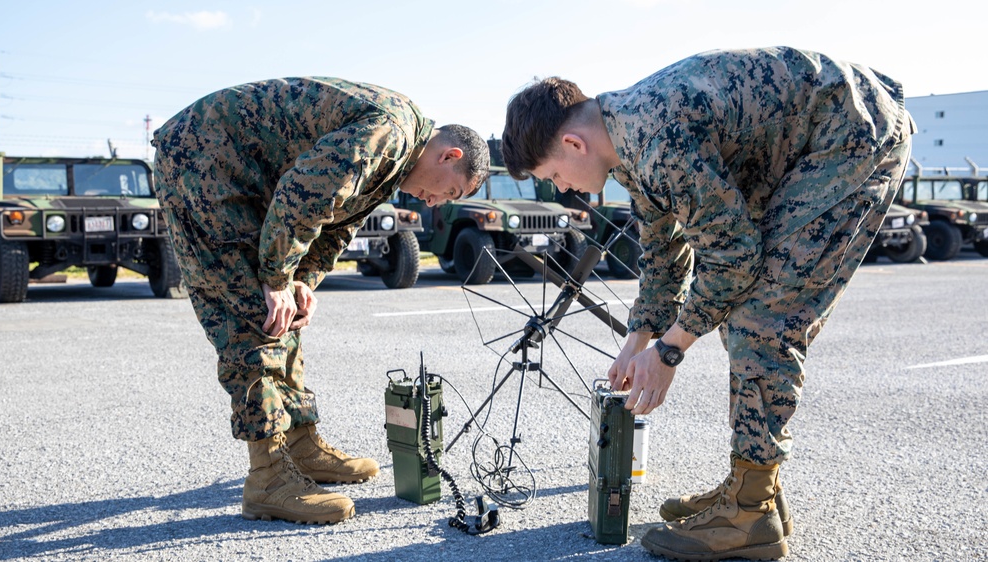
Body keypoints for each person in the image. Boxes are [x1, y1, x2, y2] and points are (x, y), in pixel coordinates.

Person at [502, 47, 913, 560]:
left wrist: (670, 352)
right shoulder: (624, 140)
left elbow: (732, 257)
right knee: (743, 316)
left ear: (571, 142)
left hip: (852, 137)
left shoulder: (655, 140)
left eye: (553, 175)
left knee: (762, 318)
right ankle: (756, 488)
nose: (560, 188)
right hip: (823, 134)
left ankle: (749, 512)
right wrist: (638, 341)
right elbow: (664, 253)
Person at [151, 77, 490, 525]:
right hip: (202, 162)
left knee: (284, 311)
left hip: (236, 172)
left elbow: (338, 221)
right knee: (253, 313)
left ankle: (300, 444)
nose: (433, 203)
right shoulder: (389, 133)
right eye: (449, 192)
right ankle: (268, 478)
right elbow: (302, 195)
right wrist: (275, 276)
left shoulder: (398, 155)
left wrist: (303, 278)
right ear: (451, 156)